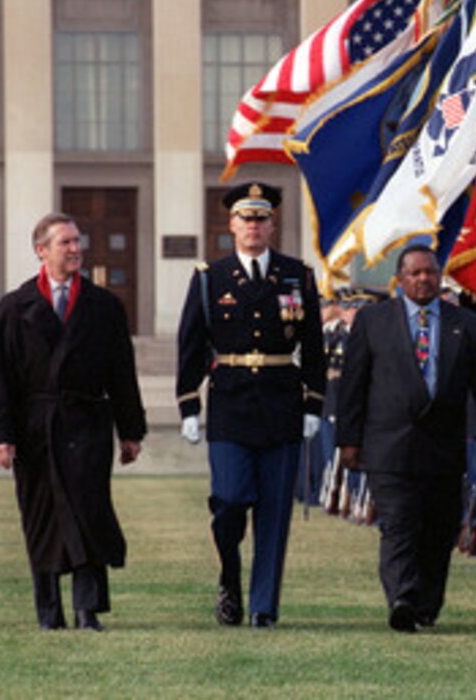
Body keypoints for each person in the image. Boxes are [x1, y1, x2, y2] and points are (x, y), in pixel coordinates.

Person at [0, 212, 147, 631]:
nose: (76, 250)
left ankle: (87, 609)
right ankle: (49, 611)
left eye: (77, 242)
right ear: (42, 251)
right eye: (65, 243)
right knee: (41, 516)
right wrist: (0, 435)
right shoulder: (13, 308)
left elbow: (121, 373)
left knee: (89, 511)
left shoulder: (104, 306)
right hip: (35, 428)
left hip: (88, 423)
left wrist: (131, 431)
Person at [336, 244, 476, 632]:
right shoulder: (374, 321)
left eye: (429, 272)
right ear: (400, 279)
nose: (423, 280)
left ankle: (427, 604)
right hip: (389, 445)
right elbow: (353, 384)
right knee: (399, 523)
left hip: (443, 446)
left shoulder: (466, 324)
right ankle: (402, 597)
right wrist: (349, 440)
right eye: (414, 273)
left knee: (438, 527)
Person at [176, 181, 324, 628]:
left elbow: (314, 346)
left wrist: (314, 403)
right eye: (246, 218)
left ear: (272, 225)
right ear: (232, 225)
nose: (254, 226)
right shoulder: (210, 278)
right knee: (230, 500)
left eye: (261, 219)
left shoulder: (297, 274)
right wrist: (188, 407)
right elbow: (191, 344)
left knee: (275, 512)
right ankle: (230, 575)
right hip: (231, 405)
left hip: (281, 403)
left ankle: (263, 606)